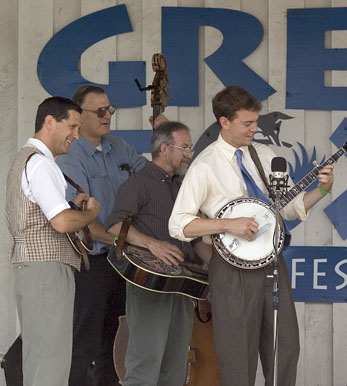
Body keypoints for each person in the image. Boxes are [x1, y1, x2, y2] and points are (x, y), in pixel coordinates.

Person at [169, 85, 334, 386]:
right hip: (231, 269)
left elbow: (290, 208)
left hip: (272, 263)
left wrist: (322, 190)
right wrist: (226, 225)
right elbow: (179, 225)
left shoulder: (265, 154)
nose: (255, 129)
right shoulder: (204, 165)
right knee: (237, 356)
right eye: (247, 123)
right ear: (224, 122)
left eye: (256, 122)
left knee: (285, 347)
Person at [106, 121, 212, 386]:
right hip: (150, 283)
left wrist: (219, 266)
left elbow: (195, 239)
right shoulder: (138, 183)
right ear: (164, 149)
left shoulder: (181, 187)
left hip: (182, 284)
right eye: (185, 147)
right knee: (145, 362)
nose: (190, 153)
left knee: (176, 365)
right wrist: (152, 244)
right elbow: (115, 226)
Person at [56, 86, 148, 386]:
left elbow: (153, 179)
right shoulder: (70, 157)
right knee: (85, 344)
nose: (107, 116)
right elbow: (84, 225)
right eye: (99, 111)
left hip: (122, 262)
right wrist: (134, 240)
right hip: (91, 264)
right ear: (78, 117)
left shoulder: (119, 147)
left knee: (117, 341)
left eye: (110, 109)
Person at [5, 96, 101, 386]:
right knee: (51, 361)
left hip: (33, 267)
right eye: (72, 126)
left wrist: (70, 203)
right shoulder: (42, 165)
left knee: (40, 357)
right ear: (50, 122)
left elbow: (42, 214)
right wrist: (91, 213)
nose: (76, 134)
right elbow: (61, 223)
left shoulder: (28, 160)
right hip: (47, 269)